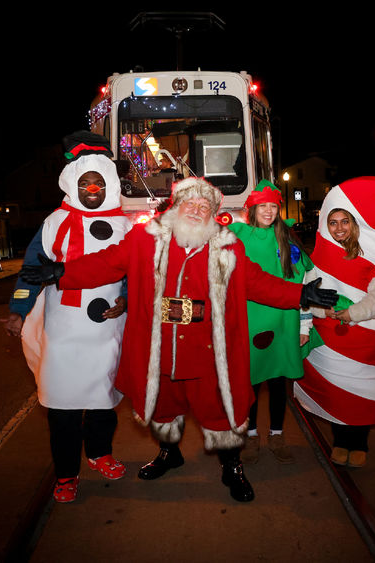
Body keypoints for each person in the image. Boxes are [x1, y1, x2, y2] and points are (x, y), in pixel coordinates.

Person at [19, 177, 338, 502]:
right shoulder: (145, 240)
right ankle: (170, 454)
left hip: (207, 349)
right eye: (191, 204)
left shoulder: (227, 245)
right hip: (160, 347)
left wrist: (300, 293)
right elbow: (107, 262)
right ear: (175, 207)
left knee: (220, 410)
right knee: (162, 406)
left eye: (205, 206)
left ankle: (232, 466)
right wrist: (63, 272)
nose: (197, 211)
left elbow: (256, 282)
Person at [4, 131, 131, 503]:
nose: (92, 188)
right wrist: (18, 311)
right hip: (62, 330)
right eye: (84, 182)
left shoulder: (124, 225)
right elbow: (30, 270)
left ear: (108, 184)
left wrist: (124, 299)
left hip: (107, 329)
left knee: (103, 401)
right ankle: (66, 473)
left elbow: (133, 274)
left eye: (98, 182)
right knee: (61, 407)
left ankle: (99, 453)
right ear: (74, 185)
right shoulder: (54, 223)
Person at [294, 176, 375, 468]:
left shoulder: (371, 258)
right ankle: (340, 442)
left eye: (344, 222)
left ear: (354, 225)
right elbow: (306, 296)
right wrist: (323, 312)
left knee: (361, 391)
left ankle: (359, 444)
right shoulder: (316, 261)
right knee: (336, 393)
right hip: (329, 339)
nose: (339, 228)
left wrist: (354, 313)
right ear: (325, 226)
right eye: (333, 222)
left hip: (363, 339)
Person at [227, 180, 313, 464]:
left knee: (278, 384)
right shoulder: (237, 237)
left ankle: (277, 433)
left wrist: (304, 325)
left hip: (283, 322)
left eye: (273, 206)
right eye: (262, 206)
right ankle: (250, 435)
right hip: (248, 321)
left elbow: (305, 284)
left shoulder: (288, 242)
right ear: (251, 209)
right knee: (249, 383)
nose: (268, 211)